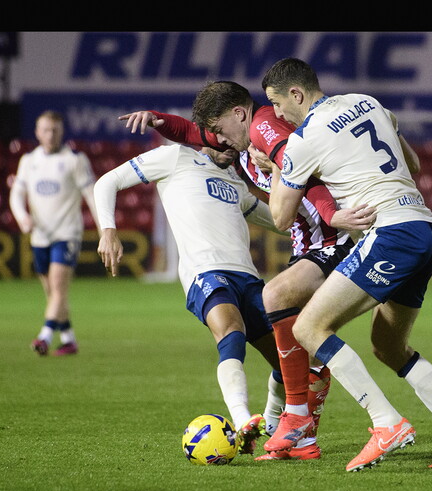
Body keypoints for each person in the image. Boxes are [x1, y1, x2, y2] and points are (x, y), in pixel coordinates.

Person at [119, 81, 403, 461]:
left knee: (282, 306)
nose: (216, 140)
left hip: (331, 238)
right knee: (299, 342)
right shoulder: (237, 142)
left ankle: (338, 419)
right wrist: (157, 121)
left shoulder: (260, 126)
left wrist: (331, 213)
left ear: (239, 113)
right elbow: (191, 132)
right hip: (310, 243)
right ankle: (299, 437)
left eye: (219, 130)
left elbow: (299, 169)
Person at [259, 57, 432, 471]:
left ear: (296, 94)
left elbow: (280, 218)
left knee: (308, 327)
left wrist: (278, 165)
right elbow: (415, 166)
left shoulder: (302, 140)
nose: (276, 114)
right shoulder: (369, 102)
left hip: (390, 235)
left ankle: (386, 423)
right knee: (388, 347)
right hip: (425, 228)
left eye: (277, 103)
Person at [93, 142, 288, 455]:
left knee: (286, 357)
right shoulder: (175, 157)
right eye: (227, 137)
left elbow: (279, 221)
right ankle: (240, 419)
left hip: (248, 277)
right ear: (210, 129)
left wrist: (324, 226)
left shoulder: (236, 180)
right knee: (231, 332)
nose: (233, 146)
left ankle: (270, 423)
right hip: (205, 271)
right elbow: (107, 181)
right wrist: (108, 229)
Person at [9, 110, 100, 356]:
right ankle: (69, 338)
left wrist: (105, 228)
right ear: (38, 132)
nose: (50, 135)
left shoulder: (75, 159)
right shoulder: (29, 161)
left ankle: (44, 337)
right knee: (52, 293)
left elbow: (91, 195)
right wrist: (22, 217)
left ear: (62, 132)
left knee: (59, 287)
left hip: (67, 233)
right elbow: (16, 194)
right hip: (40, 235)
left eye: (55, 130)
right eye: (46, 130)